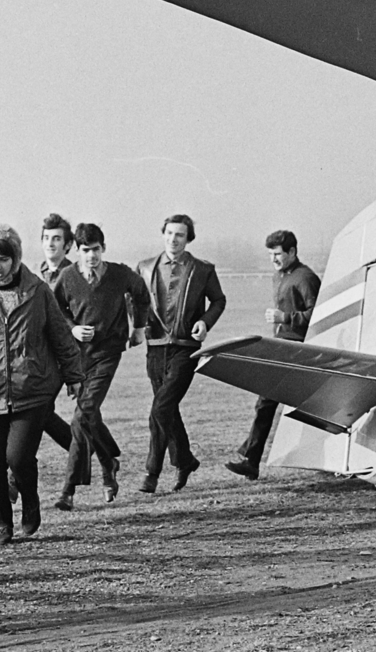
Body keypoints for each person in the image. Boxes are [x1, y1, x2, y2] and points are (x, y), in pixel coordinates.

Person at [0, 225, 84, 543]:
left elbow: (59, 333)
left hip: (31, 388)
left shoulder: (37, 291)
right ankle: (3, 524)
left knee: (18, 457)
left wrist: (74, 375)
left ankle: (30, 504)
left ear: (15, 259)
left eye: (3, 259)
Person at [52, 222, 150, 508]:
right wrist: (71, 328)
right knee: (90, 416)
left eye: (96, 250)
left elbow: (142, 295)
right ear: (77, 251)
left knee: (82, 416)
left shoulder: (120, 274)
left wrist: (139, 328)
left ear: (103, 248)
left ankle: (68, 489)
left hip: (109, 352)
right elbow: (56, 308)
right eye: (85, 251)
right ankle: (109, 464)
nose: (91, 256)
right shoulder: (67, 277)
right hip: (79, 356)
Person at [136, 214, 226, 493]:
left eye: (180, 235)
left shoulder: (202, 269)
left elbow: (219, 300)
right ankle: (185, 460)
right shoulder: (144, 267)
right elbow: (134, 301)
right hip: (154, 349)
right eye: (170, 233)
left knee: (160, 408)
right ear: (162, 234)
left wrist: (205, 322)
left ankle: (152, 473)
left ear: (188, 239)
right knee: (166, 409)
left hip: (186, 349)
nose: (173, 239)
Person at [225, 228, 320, 480]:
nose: (273, 260)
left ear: (292, 251)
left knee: (274, 402)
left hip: (298, 350)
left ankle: (251, 458)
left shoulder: (306, 278)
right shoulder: (279, 276)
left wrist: (285, 317)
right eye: (270, 255)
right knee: (266, 402)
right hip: (282, 346)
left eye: (277, 254)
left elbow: (319, 314)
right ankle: (251, 460)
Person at [34, 212, 80, 455]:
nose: (50, 244)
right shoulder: (35, 275)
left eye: (56, 239)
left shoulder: (75, 275)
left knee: (35, 412)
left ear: (68, 245)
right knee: (40, 413)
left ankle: (12, 480)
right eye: (46, 238)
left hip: (64, 357)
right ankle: (91, 453)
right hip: (38, 357)